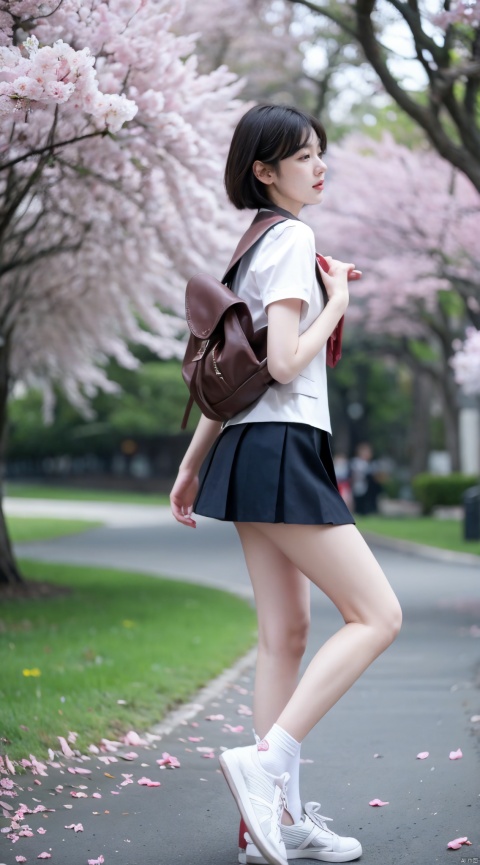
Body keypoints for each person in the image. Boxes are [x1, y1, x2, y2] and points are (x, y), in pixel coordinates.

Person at [170, 104, 402, 865]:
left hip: (244, 447)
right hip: (283, 447)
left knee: (285, 635)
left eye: (319, 152)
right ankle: (268, 765)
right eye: (302, 156)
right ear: (264, 171)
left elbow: (234, 377)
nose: (318, 164)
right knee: (377, 613)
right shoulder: (294, 237)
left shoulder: (253, 245)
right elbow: (281, 363)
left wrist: (193, 461)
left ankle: (268, 824)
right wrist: (337, 299)